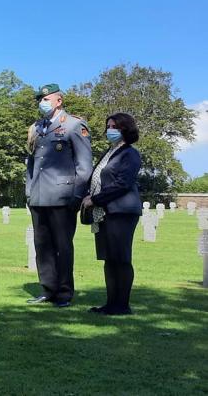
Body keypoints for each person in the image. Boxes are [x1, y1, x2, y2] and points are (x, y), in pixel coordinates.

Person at [25, 84, 93, 308]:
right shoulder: (36, 128)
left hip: (63, 196)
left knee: (62, 246)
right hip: (39, 196)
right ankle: (48, 289)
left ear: (59, 101)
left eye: (46, 99)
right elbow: (32, 164)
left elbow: (84, 165)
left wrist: (77, 195)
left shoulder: (74, 125)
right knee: (42, 246)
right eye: (40, 99)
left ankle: (64, 292)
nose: (42, 102)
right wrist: (29, 192)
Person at [82, 113, 142, 316]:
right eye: (108, 126)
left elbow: (122, 184)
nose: (110, 130)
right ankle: (110, 304)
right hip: (105, 213)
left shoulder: (130, 154)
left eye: (114, 126)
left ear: (126, 129)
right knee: (109, 259)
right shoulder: (110, 152)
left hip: (121, 211)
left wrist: (96, 199)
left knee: (121, 258)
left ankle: (122, 305)